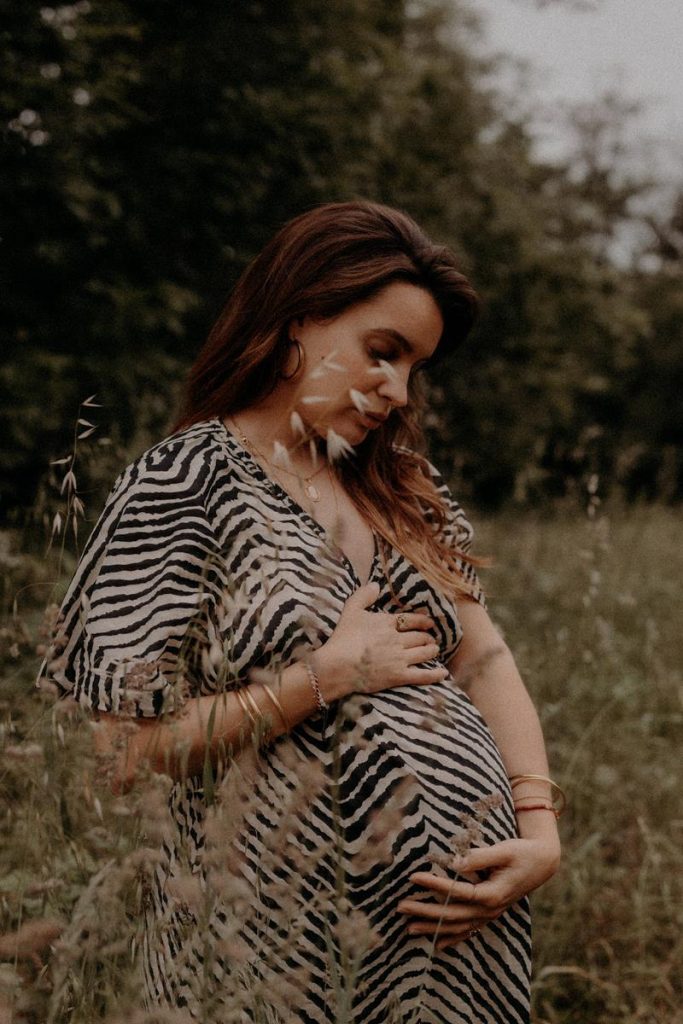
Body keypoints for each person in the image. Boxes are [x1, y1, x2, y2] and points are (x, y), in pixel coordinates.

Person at [41, 201, 562, 1023]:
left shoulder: (396, 484)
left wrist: (537, 827)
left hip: (459, 945)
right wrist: (324, 677)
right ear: (297, 320)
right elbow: (120, 754)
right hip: (273, 950)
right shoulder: (182, 487)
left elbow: (483, 659)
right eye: (381, 352)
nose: (396, 389)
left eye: (413, 367)